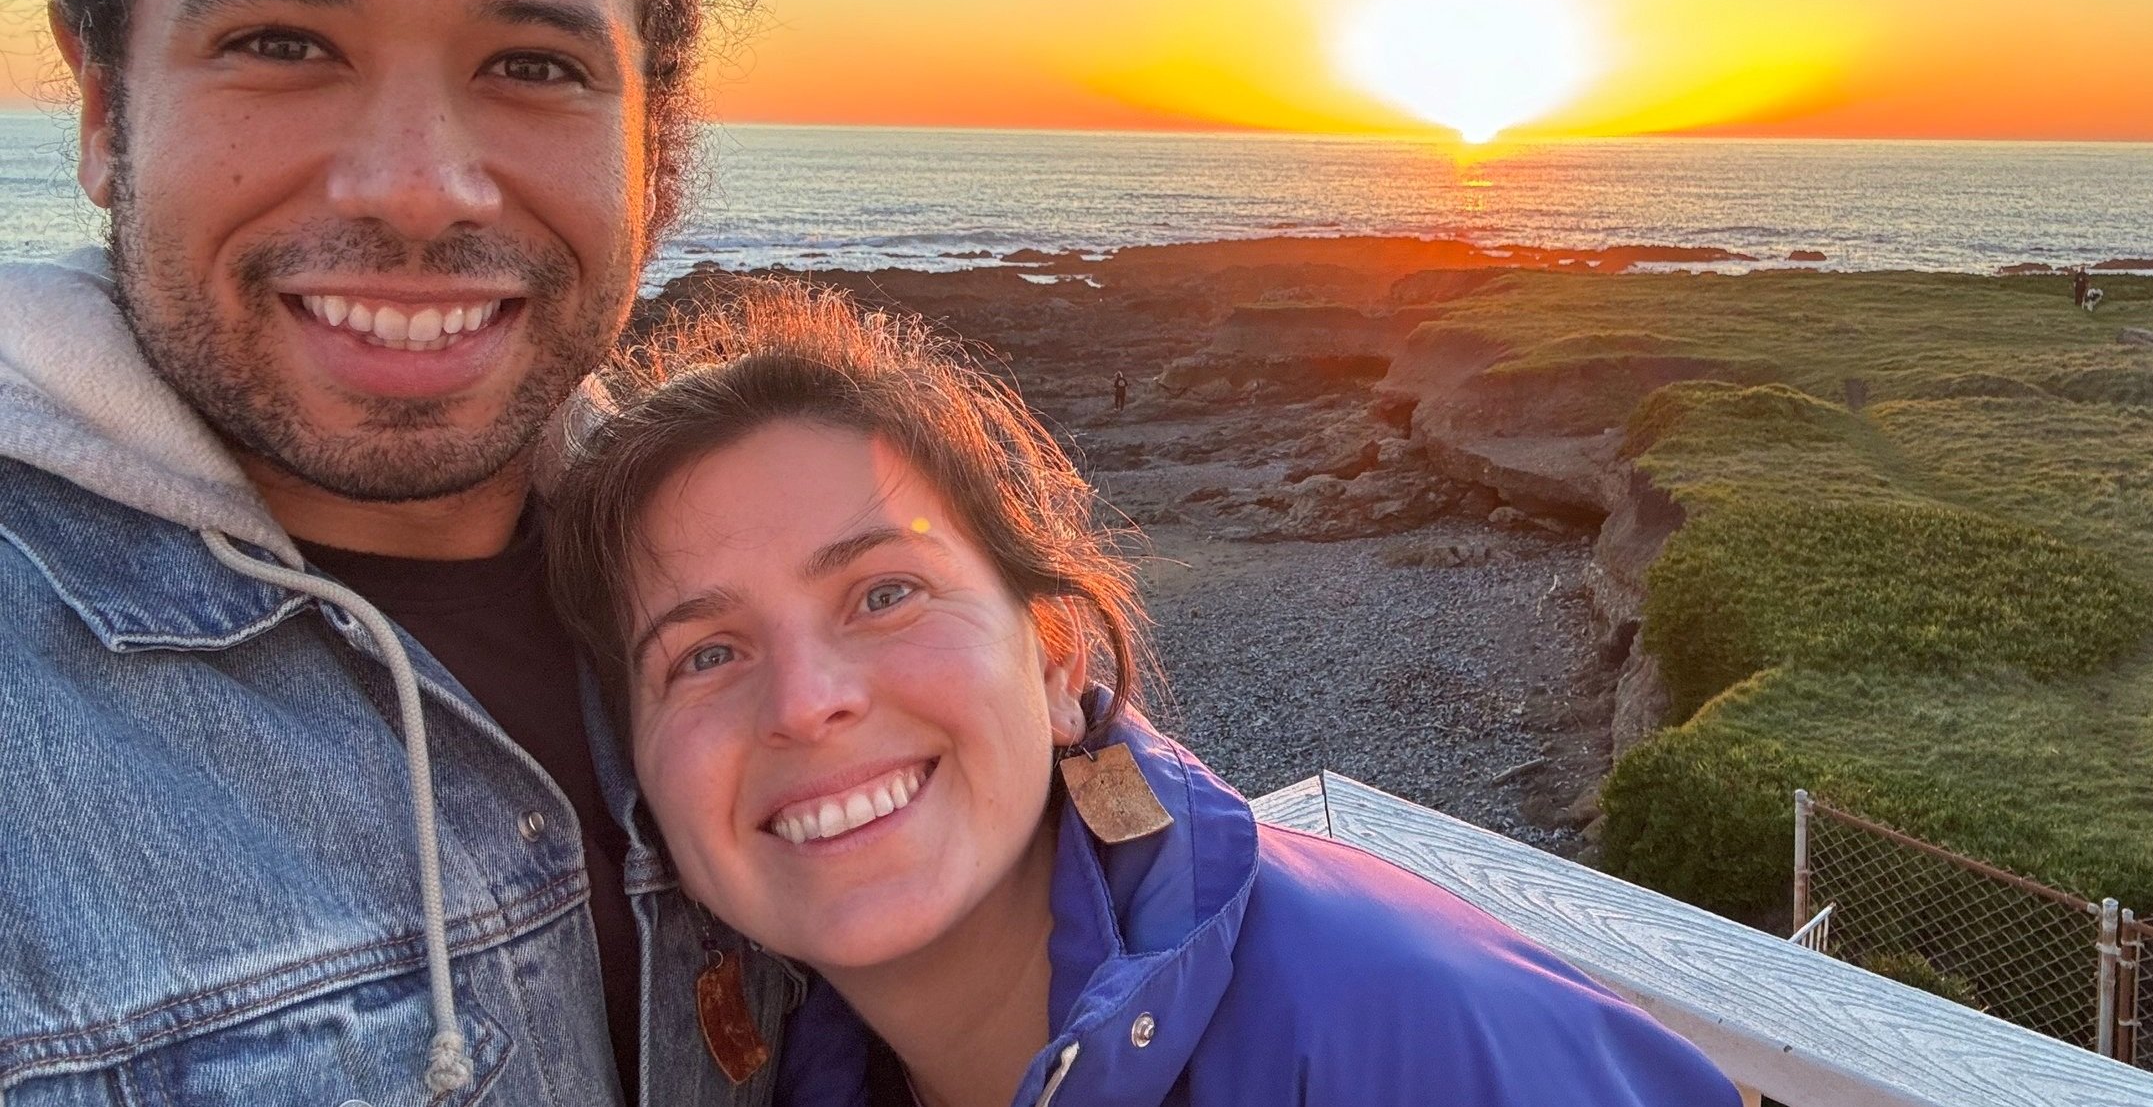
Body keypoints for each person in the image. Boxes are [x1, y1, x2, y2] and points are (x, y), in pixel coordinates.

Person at [0, 0, 788, 1104]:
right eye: (283, 43)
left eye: (535, 65)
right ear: (101, 103)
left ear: (658, 136)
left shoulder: (757, 606)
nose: (424, 187)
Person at [543, 283, 1741, 1107]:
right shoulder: (825, 1068)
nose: (805, 701)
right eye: (704, 653)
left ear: (1061, 663)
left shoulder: (1394, 1034)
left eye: (883, 592)